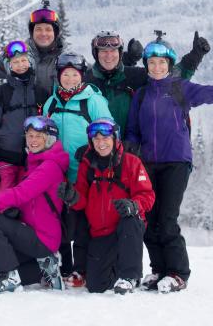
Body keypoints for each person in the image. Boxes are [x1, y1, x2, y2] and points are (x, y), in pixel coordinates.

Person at [124, 33, 213, 293]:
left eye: (162, 63)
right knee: (149, 220)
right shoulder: (141, 95)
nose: (156, 68)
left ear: (169, 64)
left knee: (167, 219)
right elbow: (133, 130)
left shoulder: (180, 89)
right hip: (148, 164)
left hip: (176, 162)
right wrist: (130, 145)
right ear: (146, 65)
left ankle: (178, 273)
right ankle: (159, 269)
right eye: (152, 63)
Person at [0, 116, 69, 293]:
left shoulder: (50, 166)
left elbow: (23, 192)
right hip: (29, 238)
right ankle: (45, 267)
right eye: (30, 136)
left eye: (38, 136)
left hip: (43, 238)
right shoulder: (31, 164)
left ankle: (10, 276)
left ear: (49, 139)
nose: (33, 140)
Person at [59, 118, 155, 294]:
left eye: (105, 138)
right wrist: (72, 196)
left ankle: (130, 276)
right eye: (96, 139)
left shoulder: (131, 162)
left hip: (124, 230)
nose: (100, 143)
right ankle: (95, 270)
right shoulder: (87, 164)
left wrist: (133, 205)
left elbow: (147, 195)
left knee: (131, 220)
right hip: (100, 234)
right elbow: (82, 200)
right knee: (96, 286)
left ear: (115, 138)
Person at [42, 51, 112, 287]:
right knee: (59, 222)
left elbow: (109, 131)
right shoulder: (51, 103)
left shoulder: (93, 101)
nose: (70, 79)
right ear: (58, 76)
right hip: (57, 173)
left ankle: (82, 269)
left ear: (82, 76)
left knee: (82, 222)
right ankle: (64, 268)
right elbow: (43, 134)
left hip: (85, 172)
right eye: (66, 75)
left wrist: (91, 150)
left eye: (74, 74)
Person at [86, 30, 211, 135]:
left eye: (113, 51)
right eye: (103, 51)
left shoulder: (133, 77)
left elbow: (167, 77)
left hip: (132, 151)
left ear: (119, 53)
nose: (109, 55)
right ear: (96, 54)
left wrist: (194, 58)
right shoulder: (85, 81)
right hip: (98, 150)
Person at [0, 40, 38, 194]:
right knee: (3, 202)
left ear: (31, 62)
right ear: (8, 66)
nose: (20, 65)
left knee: (27, 203)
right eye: (15, 62)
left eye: (24, 60)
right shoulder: (0, 93)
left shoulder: (40, 92)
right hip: (5, 160)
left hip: (33, 161)